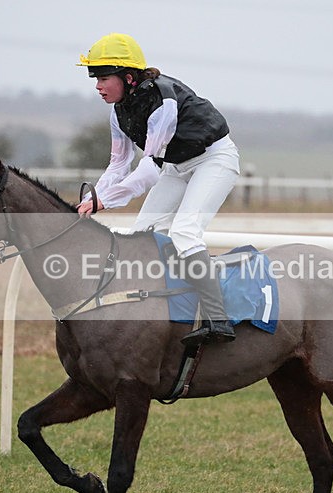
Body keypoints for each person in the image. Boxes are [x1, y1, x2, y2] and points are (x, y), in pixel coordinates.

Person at [75, 33, 239, 346]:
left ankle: (220, 319)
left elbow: (149, 170)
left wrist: (105, 202)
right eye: (94, 78)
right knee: (143, 233)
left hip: (213, 161)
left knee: (184, 233)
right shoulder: (118, 111)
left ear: (127, 77)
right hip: (176, 167)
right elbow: (118, 166)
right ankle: (151, 311)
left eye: (103, 78)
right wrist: (91, 199)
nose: (97, 86)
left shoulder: (162, 103)